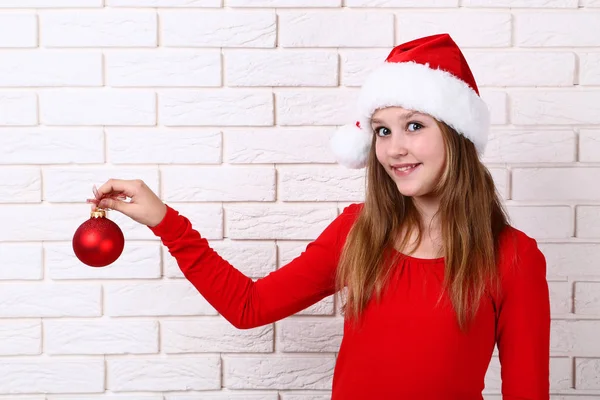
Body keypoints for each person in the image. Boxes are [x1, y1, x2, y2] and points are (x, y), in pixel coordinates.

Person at [89, 34, 551, 399]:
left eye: (415, 125)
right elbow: (249, 307)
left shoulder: (513, 258)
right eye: (382, 131)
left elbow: (527, 394)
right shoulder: (359, 231)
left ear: (457, 134)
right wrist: (165, 221)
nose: (394, 148)